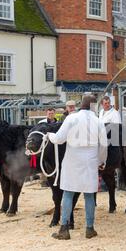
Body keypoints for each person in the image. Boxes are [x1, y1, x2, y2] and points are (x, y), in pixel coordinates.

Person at [49, 95, 108, 240]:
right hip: (90, 160)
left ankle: (64, 229)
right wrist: (101, 161)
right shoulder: (98, 121)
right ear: (93, 106)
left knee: (68, 193)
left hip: (72, 160)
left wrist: (49, 135)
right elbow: (104, 145)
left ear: (81, 105)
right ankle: (89, 228)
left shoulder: (71, 118)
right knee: (89, 195)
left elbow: (58, 139)